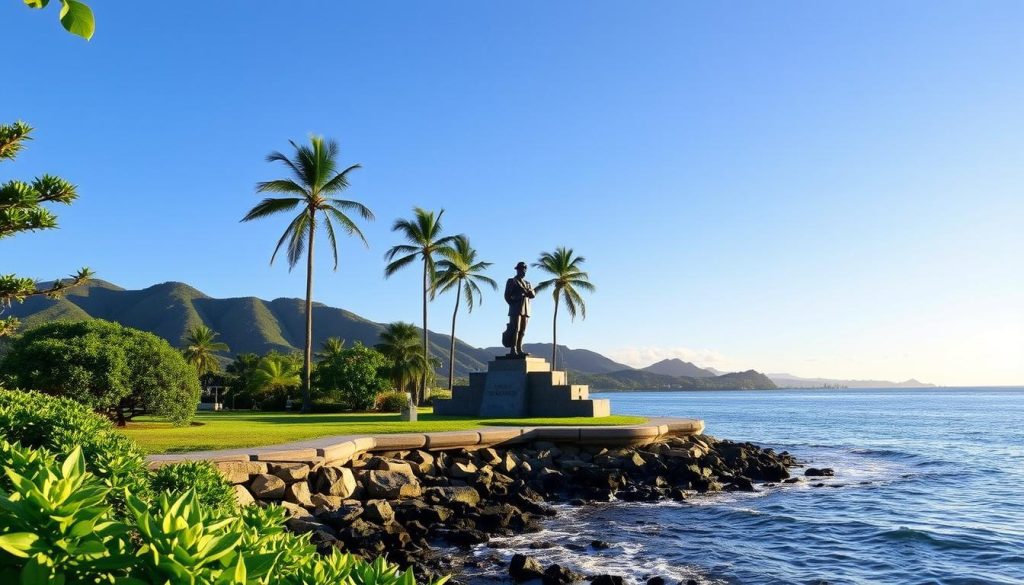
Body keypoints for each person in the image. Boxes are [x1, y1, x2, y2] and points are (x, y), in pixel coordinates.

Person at [503, 261, 536, 357]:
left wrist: (529, 292)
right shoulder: (512, 281)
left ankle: (519, 348)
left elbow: (533, 295)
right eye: (522, 269)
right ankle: (513, 349)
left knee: (522, 330)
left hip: (525, 309)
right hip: (515, 309)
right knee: (515, 329)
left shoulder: (528, 283)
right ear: (517, 270)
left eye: (525, 269)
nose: (523, 271)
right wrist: (513, 303)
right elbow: (507, 296)